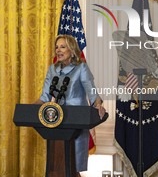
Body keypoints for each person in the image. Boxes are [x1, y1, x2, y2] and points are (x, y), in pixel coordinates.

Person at [35, 34, 106, 176]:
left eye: (62, 47)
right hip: (57, 120)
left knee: (73, 165)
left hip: (77, 119)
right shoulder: (52, 69)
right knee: (58, 164)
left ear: (72, 50)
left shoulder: (81, 68)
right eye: (56, 47)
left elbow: (91, 91)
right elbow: (45, 97)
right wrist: (31, 108)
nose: (58, 50)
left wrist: (98, 104)